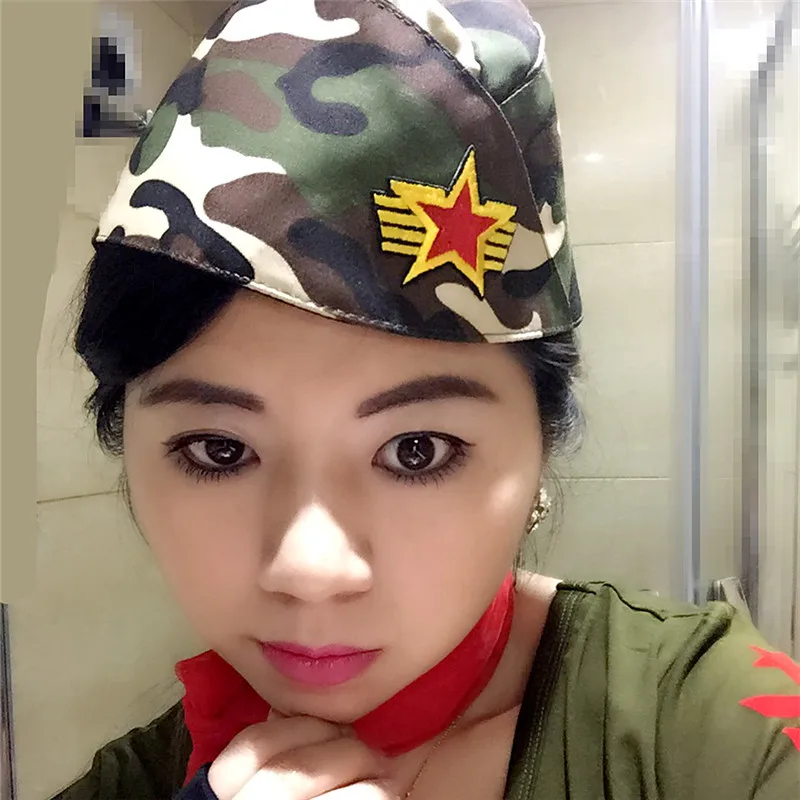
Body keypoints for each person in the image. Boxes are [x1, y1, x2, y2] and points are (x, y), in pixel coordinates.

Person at [51, 1, 799, 798]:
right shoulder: (131, 784)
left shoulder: (714, 731)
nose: (311, 571)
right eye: (220, 450)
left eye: (417, 451)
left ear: (540, 446)